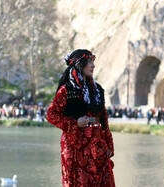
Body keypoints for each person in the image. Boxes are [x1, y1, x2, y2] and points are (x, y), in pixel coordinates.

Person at [46, 49, 115, 187]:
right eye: (90, 62)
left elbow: (103, 118)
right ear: (79, 64)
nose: (93, 66)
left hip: (97, 144)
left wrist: (108, 143)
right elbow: (51, 114)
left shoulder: (97, 90)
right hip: (75, 144)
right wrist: (75, 123)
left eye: (93, 62)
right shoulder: (67, 90)